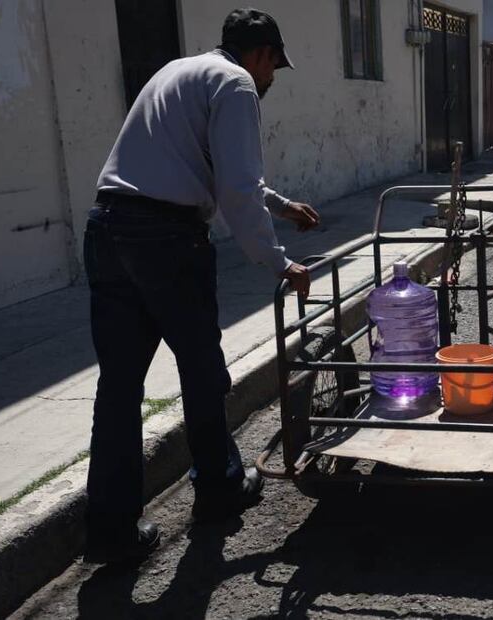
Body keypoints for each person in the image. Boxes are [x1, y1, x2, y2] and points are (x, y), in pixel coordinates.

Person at [82, 8, 318, 564]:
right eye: (274, 67)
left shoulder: (177, 71)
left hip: (107, 228)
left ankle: (110, 531)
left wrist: (281, 206)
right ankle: (219, 488)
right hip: (166, 239)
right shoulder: (236, 84)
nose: (271, 79)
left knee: (118, 387)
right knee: (202, 370)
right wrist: (279, 262)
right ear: (261, 54)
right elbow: (236, 187)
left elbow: (211, 169)